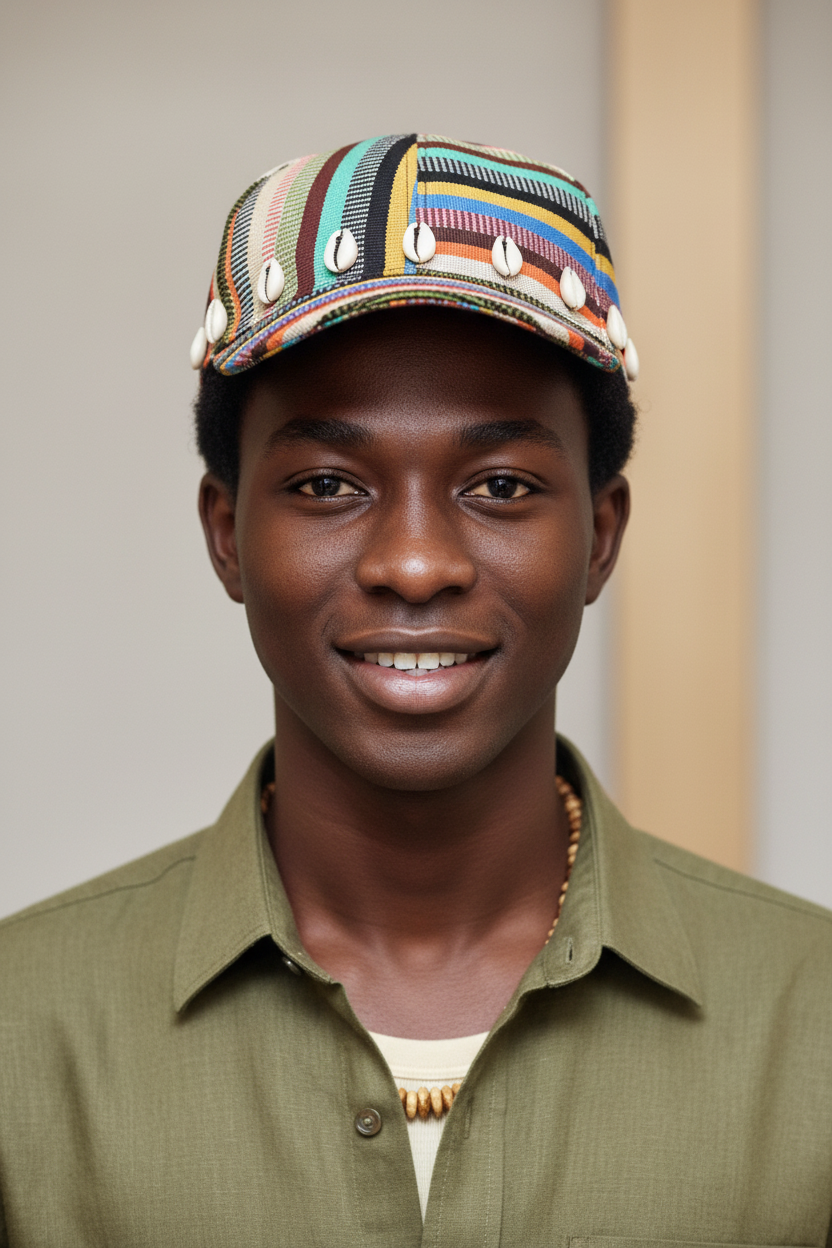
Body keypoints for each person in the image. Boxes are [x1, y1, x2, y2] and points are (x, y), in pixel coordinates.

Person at [1, 133, 830, 1248]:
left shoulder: (809, 1019)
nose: (415, 561)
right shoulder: (23, 1025)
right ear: (226, 534)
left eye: (498, 485)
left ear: (599, 536)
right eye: (328, 484)